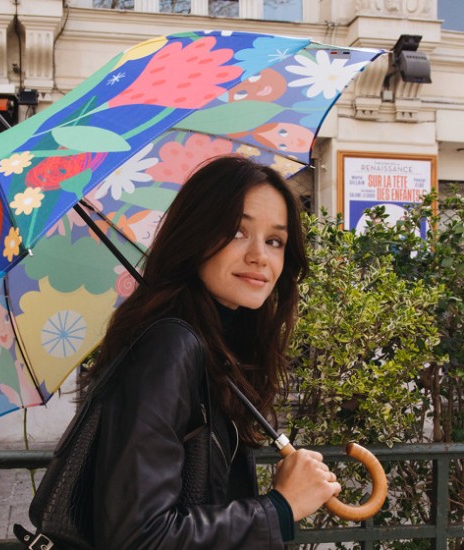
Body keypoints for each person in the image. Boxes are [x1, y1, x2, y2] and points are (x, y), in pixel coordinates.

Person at [84, 154, 341, 548]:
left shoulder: (217, 344)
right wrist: (279, 507)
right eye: (238, 232)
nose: (260, 256)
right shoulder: (168, 347)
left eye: (275, 240)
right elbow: (139, 538)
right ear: (196, 236)